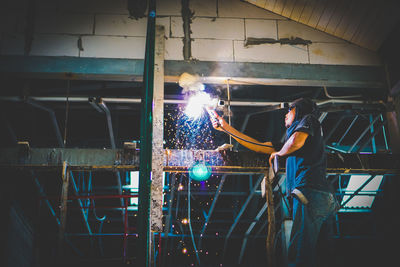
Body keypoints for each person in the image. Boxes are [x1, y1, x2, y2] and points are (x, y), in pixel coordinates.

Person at [209, 97, 338, 267]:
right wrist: (225, 127)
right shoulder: (290, 143)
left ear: (299, 111)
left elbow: (296, 141)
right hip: (322, 198)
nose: (285, 114)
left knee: (300, 255)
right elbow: (256, 145)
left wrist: (279, 154)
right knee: (323, 257)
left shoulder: (309, 120)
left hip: (310, 194)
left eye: (290, 110)